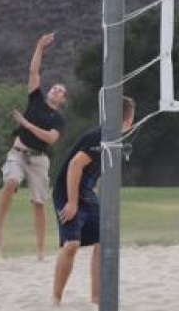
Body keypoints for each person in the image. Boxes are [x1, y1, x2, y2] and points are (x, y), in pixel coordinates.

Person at [0, 33, 68, 261]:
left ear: (63, 99)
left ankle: (41, 252)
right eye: (54, 88)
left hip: (39, 160)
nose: (56, 90)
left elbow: (50, 138)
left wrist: (25, 123)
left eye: (61, 91)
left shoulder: (58, 118)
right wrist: (39, 47)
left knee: (38, 203)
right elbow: (33, 71)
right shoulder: (35, 99)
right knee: (11, 182)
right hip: (18, 152)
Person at [52, 96, 135, 306]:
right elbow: (74, 166)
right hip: (67, 190)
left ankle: (97, 298)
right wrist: (71, 203)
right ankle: (55, 299)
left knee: (102, 243)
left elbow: (98, 171)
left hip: (87, 191)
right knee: (71, 244)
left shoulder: (115, 139)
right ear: (127, 121)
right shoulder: (101, 135)